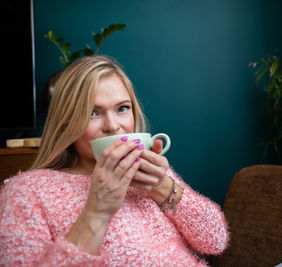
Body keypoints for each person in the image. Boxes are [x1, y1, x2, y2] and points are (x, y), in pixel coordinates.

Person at [0, 55, 229, 266]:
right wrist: (97, 211)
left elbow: (215, 240)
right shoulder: (27, 192)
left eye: (122, 108)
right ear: (66, 122)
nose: (113, 125)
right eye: (93, 112)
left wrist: (161, 186)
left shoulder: (152, 173)